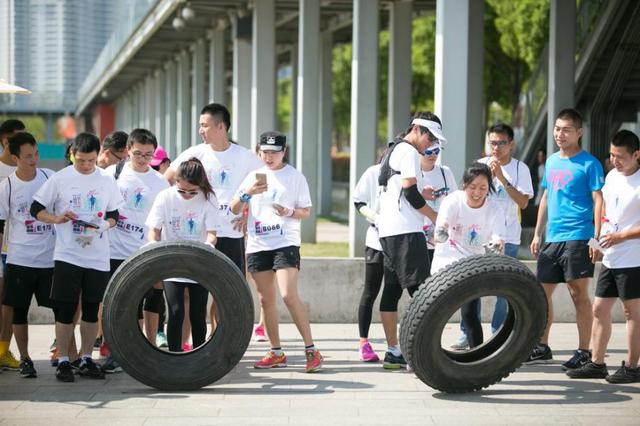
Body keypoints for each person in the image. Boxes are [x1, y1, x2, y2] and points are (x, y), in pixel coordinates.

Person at [31, 132, 123, 382]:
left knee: (92, 310)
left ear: (98, 156)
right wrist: (57, 218)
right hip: (67, 254)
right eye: (80, 160)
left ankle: (85, 358)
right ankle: (63, 360)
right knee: (65, 308)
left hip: (97, 256)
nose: (84, 166)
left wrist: (105, 225)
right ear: (73, 154)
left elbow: (115, 213)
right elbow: (36, 208)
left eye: (90, 161)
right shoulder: (61, 178)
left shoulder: (106, 179)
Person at [164, 103, 262, 338]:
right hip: (200, 236)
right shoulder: (194, 153)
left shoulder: (245, 156)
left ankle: (223, 343)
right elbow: (167, 179)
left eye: (205, 125)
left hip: (231, 235)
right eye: (200, 125)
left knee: (228, 292)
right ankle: (186, 345)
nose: (201, 130)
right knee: (191, 294)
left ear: (221, 126)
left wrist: (247, 211)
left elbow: (264, 184)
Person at [230, 131, 323, 373]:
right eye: (265, 152)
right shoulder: (252, 177)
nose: (269, 157)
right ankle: (276, 352)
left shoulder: (294, 177)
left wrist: (289, 212)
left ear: (284, 152)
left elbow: (305, 211)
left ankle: (311, 349)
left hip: (285, 242)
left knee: (288, 295)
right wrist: (247, 193)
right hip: (258, 244)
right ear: (259, 151)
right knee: (265, 299)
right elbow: (233, 207)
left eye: (275, 152)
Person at [528, 108, 604, 369]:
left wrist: (596, 237)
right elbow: (546, 198)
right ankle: (542, 346)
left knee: (577, 294)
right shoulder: (550, 162)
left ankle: (584, 350)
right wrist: (538, 233)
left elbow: (598, 201)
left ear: (579, 132)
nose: (560, 134)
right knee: (540, 292)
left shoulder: (589, 163)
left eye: (566, 129)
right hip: (553, 237)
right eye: (557, 128)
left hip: (579, 236)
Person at [567, 130, 640, 383]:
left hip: (634, 258)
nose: (614, 160)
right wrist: (597, 240)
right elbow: (606, 210)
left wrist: (622, 237)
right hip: (611, 256)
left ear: (636, 155)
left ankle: (632, 366)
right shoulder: (611, 177)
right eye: (612, 155)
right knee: (599, 308)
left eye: (620, 156)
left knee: (632, 313)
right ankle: (597, 363)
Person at [452, 123, 533, 350]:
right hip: (477, 238)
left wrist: (501, 178)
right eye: (492, 143)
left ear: (511, 144)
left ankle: (498, 332)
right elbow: (466, 196)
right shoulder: (479, 166)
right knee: (470, 286)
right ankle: (467, 333)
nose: (496, 148)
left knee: (504, 289)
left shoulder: (520, 169)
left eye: (501, 143)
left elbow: (524, 202)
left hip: (508, 237)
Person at [376, 112, 443, 369]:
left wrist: (420, 193)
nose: (431, 143)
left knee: (392, 291)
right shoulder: (410, 152)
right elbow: (411, 195)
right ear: (416, 128)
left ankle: (394, 351)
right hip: (405, 231)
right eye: (430, 136)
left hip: (388, 231)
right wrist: (435, 215)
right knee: (423, 293)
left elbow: (400, 189)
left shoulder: (392, 149)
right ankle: (425, 353)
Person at [103, 129, 169, 369]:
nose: (142, 159)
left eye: (148, 155)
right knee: (118, 303)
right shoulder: (112, 174)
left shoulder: (159, 182)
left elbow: (163, 218)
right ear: (128, 150)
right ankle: (117, 351)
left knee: (151, 297)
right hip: (113, 250)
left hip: (146, 250)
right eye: (138, 154)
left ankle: (149, 347)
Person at [146, 158, 220, 352]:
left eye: (192, 192)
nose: (187, 195)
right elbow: (154, 230)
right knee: (176, 311)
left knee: (197, 314)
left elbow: (212, 234)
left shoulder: (209, 198)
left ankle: (199, 356)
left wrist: (208, 245)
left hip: (198, 261)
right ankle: (175, 355)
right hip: (173, 262)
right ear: (175, 181)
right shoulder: (165, 196)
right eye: (182, 190)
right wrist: (154, 244)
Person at [431, 162, 506, 348]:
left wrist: (496, 244)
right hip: (448, 257)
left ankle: (476, 356)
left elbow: (498, 237)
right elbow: (442, 225)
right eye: (472, 187)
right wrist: (441, 231)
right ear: (464, 185)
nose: (477, 193)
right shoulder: (453, 200)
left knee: (470, 312)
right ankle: (425, 352)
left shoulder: (494, 208)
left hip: (474, 262)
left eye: (483, 188)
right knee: (437, 310)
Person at [0, 132, 55, 378]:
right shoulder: (7, 187)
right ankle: (25, 357)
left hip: (50, 259)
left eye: (36, 154)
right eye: (27, 156)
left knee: (63, 308)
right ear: (14, 158)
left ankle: (65, 354)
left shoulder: (49, 177)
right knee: (19, 311)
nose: (33, 160)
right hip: (20, 259)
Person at [352, 160, 384, 362]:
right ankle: (363, 342)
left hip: (403, 242)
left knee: (395, 293)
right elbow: (358, 201)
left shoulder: (412, 172)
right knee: (371, 290)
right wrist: (374, 216)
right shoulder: (374, 172)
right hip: (376, 240)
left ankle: (397, 345)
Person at [0, 119, 24, 370]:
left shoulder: (29, 171)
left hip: (16, 249)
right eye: (18, 137)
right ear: (5, 141)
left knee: (9, 304)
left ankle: (3, 351)